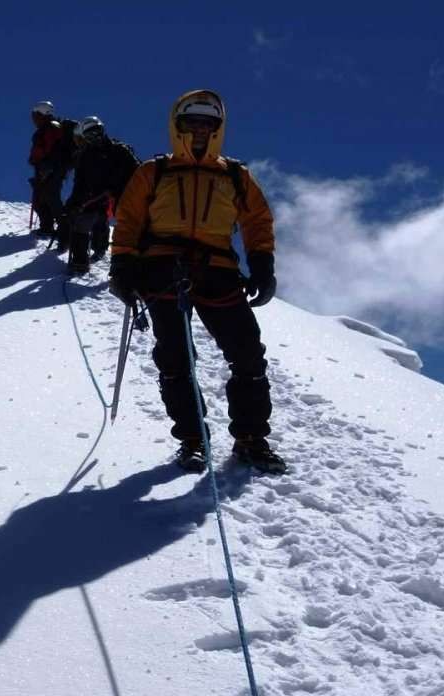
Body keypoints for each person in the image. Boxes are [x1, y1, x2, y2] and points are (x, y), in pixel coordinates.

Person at [107, 89, 287, 475]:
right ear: (179, 125)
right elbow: (130, 221)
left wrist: (263, 265)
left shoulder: (236, 175)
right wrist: (122, 266)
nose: (201, 130)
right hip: (162, 269)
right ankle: (192, 440)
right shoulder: (152, 173)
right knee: (174, 359)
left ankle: (251, 438)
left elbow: (257, 222)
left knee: (248, 356)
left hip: (218, 270)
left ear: (218, 129)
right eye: (193, 122)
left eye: (209, 123)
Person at [63, 116, 138, 275]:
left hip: (122, 195)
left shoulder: (120, 150)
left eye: (96, 132)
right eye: (89, 135)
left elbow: (137, 172)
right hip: (94, 195)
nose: (94, 137)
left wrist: (117, 186)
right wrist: (74, 202)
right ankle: (80, 262)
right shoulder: (84, 157)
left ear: (102, 130)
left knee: (125, 228)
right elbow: (80, 183)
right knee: (82, 223)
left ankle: (125, 265)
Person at [27, 101, 71, 238]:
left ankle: (64, 229)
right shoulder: (44, 129)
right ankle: (47, 227)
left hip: (52, 169)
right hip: (45, 169)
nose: (34, 119)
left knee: (51, 198)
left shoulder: (52, 128)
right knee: (41, 198)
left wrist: (48, 165)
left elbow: (55, 150)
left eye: (36, 115)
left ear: (43, 114)